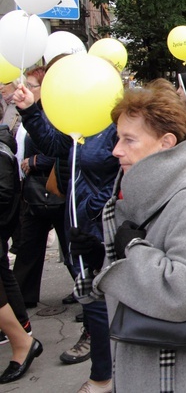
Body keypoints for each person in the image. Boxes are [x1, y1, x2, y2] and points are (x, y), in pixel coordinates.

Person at [67, 79, 186, 391]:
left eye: (129, 140)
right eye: (118, 138)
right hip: (149, 360)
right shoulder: (139, 191)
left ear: (165, 142)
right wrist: (100, 260)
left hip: (179, 373)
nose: (116, 150)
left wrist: (133, 250)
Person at [14, 78, 118, 393]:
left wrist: (98, 216)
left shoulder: (114, 124)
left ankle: (104, 375)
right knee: (91, 299)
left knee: (102, 302)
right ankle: (107, 368)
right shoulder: (78, 125)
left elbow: (125, 174)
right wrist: (30, 110)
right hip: (78, 225)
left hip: (105, 229)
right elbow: (54, 145)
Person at [12, 67, 70, 309]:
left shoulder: (59, 113)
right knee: (28, 244)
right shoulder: (30, 112)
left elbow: (64, 149)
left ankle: (87, 291)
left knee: (70, 245)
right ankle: (22, 297)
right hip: (34, 190)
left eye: (32, 85)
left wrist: (37, 162)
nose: (25, 88)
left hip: (54, 187)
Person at [0, 121, 42, 385]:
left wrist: (37, 161)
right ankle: (23, 336)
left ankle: (22, 338)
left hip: (45, 198)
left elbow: (5, 193)